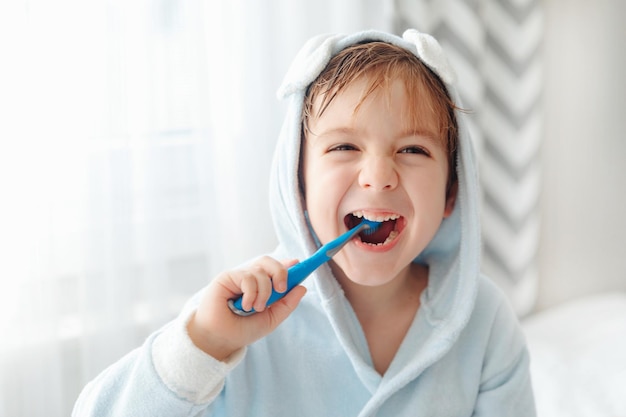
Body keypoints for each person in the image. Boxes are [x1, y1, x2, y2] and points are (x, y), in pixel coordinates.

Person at [73, 29, 535, 416]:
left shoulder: (485, 323)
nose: (378, 177)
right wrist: (204, 346)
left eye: (413, 150)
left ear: (452, 193)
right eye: (343, 147)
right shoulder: (238, 317)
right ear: (298, 185)